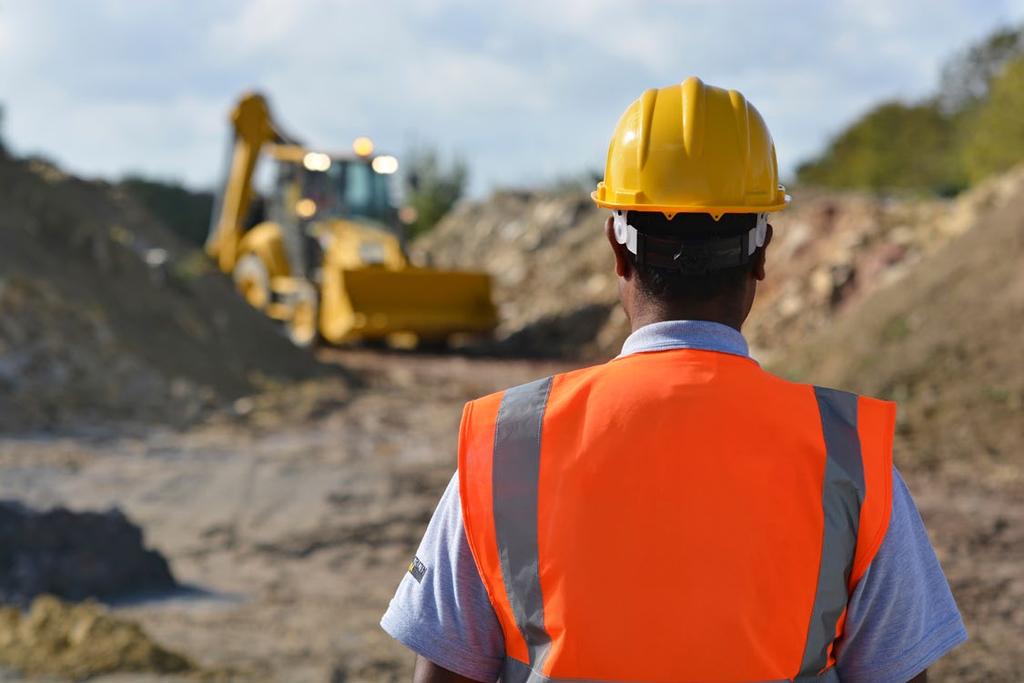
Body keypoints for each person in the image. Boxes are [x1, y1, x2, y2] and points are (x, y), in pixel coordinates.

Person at [381, 77, 966, 683]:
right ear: (762, 256)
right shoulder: (848, 456)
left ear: (617, 247)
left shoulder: (508, 445)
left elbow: (444, 670)